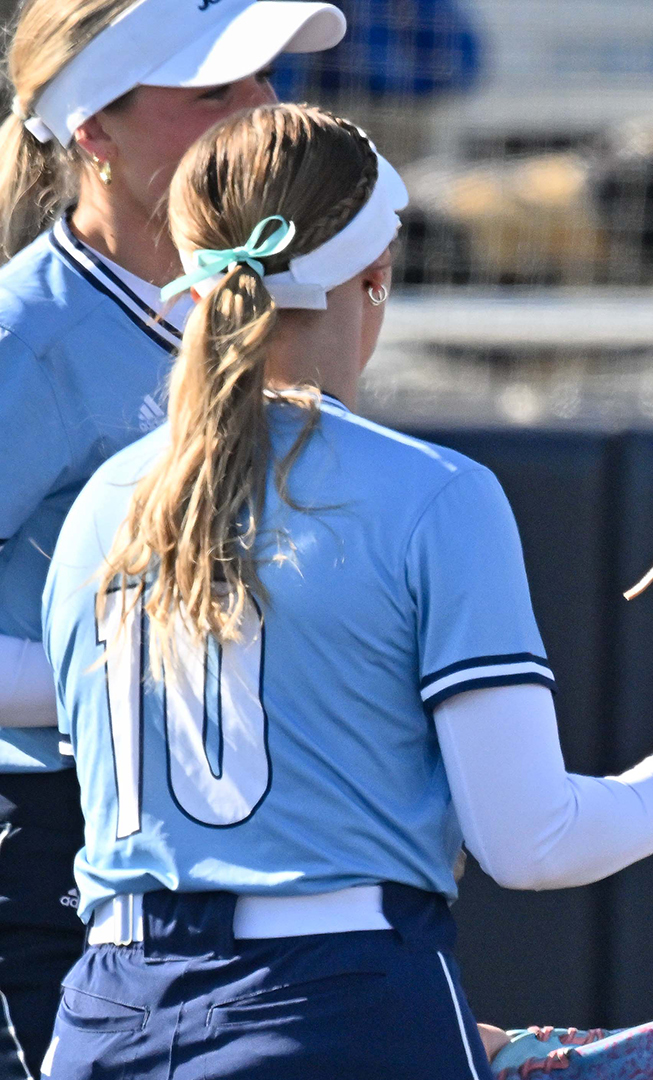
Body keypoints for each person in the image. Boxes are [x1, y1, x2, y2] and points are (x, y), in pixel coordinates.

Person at [39, 102, 653, 1079]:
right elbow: (530, 842)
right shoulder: (435, 495)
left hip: (106, 1013)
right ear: (377, 274)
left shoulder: (102, 504)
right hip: (337, 1005)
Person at [0, 2, 346, 1072]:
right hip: (71, 837)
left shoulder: (274, 298)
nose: (261, 109)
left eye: (263, 77)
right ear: (91, 133)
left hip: (239, 835)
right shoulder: (28, 336)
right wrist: (152, 690)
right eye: (212, 91)